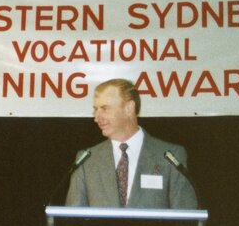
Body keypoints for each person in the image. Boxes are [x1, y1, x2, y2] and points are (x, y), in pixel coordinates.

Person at [65, 78, 198, 209]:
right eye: (96, 110)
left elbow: (186, 221)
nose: (97, 118)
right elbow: (72, 222)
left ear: (129, 108)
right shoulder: (87, 160)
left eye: (105, 109)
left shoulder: (170, 157)